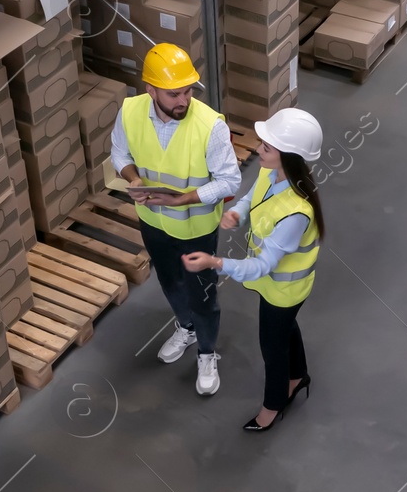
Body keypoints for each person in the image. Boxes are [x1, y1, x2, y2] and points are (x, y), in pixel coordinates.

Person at [181, 108, 324, 432]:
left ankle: (273, 405)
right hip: (275, 286)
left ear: (288, 156)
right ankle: (298, 376)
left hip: (284, 289)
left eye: (268, 147)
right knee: (285, 330)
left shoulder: (296, 213)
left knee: (272, 348)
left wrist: (214, 263)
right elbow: (251, 198)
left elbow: (262, 265)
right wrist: (237, 213)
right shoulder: (271, 173)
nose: (259, 149)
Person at [111, 43, 241, 395]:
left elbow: (231, 180)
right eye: (173, 93)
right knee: (170, 283)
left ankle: (207, 353)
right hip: (153, 222)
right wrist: (134, 180)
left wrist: (186, 198)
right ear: (150, 89)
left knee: (202, 296)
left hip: (196, 229)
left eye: (187, 91)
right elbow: (119, 152)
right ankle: (185, 328)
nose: (183, 100)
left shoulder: (209, 126)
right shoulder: (130, 112)